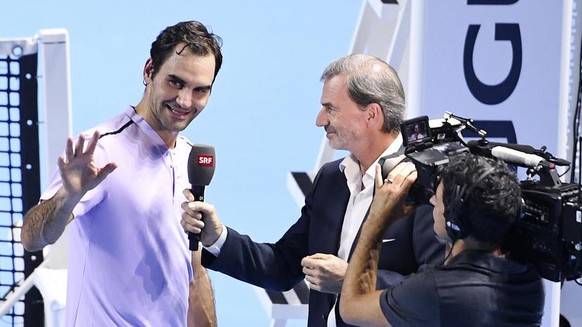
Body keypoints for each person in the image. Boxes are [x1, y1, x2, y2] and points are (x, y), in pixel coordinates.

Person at [181, 54, 445, 326]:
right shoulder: (331, 180)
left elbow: (439, 291)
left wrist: (351, 279)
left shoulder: (425, 183)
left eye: (330, 109)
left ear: (371, 114)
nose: (320, 120)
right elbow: (282, 266)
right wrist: (217, 236)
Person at [20, 20, 223, 327]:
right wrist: (68, 195)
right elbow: (32, 238)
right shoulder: (101, 150)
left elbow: (192, 268)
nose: (184, 101)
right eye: (176, 82)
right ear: (148, 71)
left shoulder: (189, 158)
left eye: (199, 90)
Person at [340, 153, 545, 326]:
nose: (430, 201)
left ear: (455, 221)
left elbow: (352, 307)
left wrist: (377, 219)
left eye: (437, 200)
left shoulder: (436, 290)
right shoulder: (529, 279)